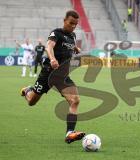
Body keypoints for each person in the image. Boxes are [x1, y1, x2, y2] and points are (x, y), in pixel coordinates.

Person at [20, 10, 85, 143]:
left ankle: (69, 133)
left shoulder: (73, 36)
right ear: (64, 20)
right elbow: (49, 46)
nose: (73, 26)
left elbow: (68, 47)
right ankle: (27, 91)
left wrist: (75, 49)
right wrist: (52, 59)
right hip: (49, 73)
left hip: (63, 76)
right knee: (32, 101)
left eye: (75, 24)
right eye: (71, 23)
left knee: (75, 100)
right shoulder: (56, 33)